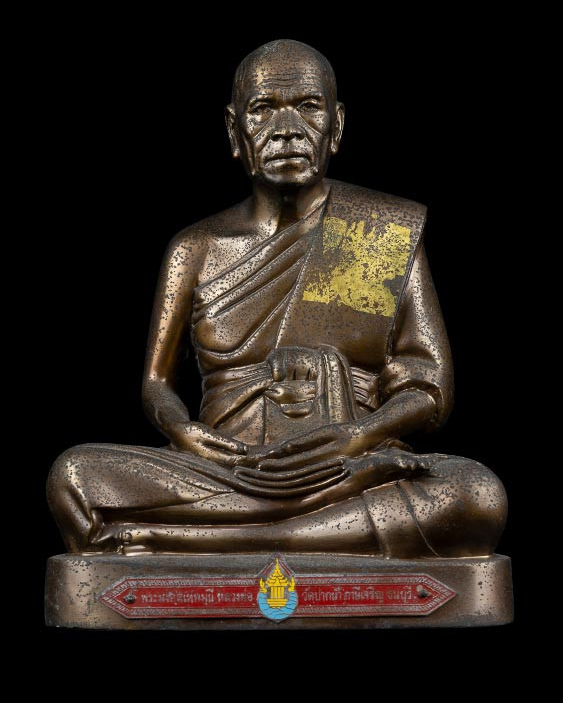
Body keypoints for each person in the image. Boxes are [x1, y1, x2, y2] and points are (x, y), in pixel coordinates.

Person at [47, 39, 507, 557]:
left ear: (336, 126)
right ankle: (300, 532)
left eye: (308, 107)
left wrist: (359, 437)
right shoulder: (196, 249)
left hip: (346, 466)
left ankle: (185, 537)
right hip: (228, 470)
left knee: (474, 493)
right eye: (263, 109)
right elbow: (157, 383)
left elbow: (430, 385)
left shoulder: (376, 234)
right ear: (234, 131)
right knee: (75, 476)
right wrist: (184, 432)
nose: (287, 129)